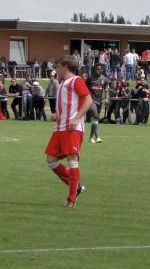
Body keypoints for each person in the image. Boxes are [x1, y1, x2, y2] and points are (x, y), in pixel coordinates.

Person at [45, 55, 92, 207]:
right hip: (59, 127)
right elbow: (66, 106)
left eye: (57, 66)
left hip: (72, 128)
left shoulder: (76, 80)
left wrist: (76, 118)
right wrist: (57, 115)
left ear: (65, 66)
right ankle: (76, 186)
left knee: (72, 161)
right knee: (51, 161)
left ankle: (71, 199)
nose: (56, 69)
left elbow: (88, 100)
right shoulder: (62, 84)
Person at [85, 63, 109, 143]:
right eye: (96, 69)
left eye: (99, 69)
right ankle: (97, 136)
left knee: (95, 119)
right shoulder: (90, 78)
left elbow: (106, 90)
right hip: (91, 101)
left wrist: (106, 99)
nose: (97, 71)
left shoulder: (105, 79)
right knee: (95, 116)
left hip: (99, 101)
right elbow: (85, 88)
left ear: (102, 70)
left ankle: (91, 137)